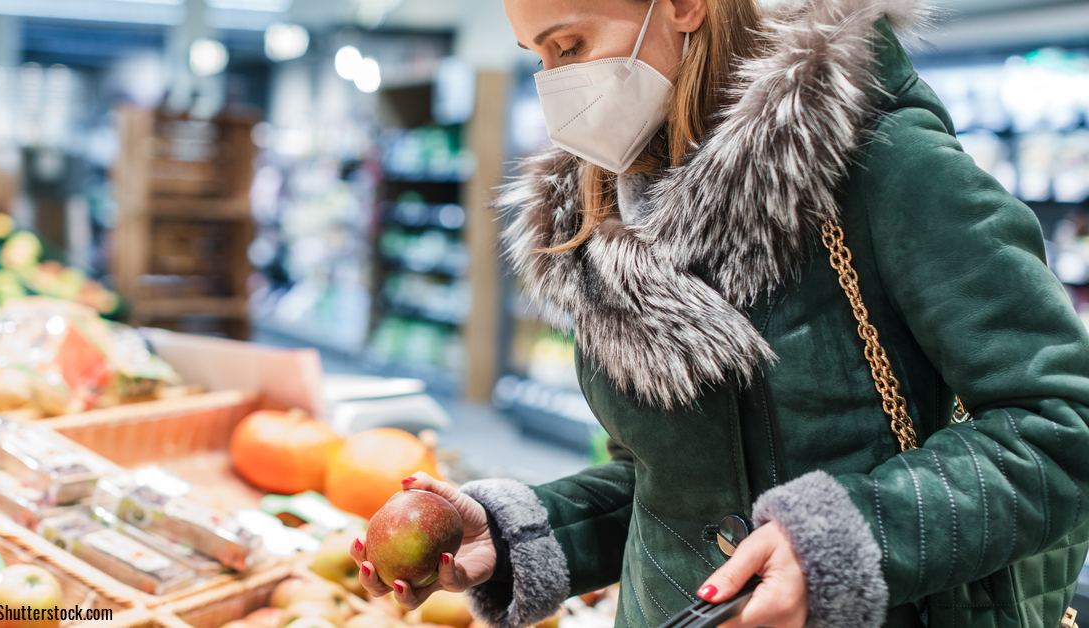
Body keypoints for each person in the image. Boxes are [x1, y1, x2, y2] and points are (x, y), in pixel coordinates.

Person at [351, 0, 1089, 626]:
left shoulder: (882, 168)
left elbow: (1063, 424)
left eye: (570, 45)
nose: (555, 87)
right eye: (538, 57)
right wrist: (526, 534)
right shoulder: (610, 216)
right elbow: (672, 486)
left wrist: (845, 538)